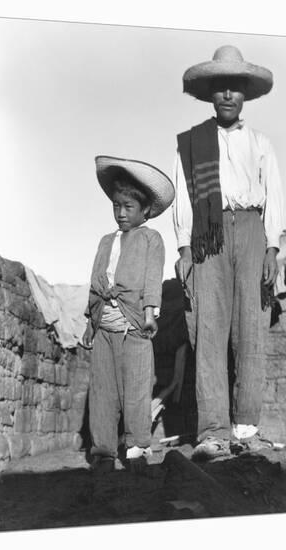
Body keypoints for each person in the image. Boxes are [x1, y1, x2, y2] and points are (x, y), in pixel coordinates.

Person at [173, 45, 284, 459]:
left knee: (250, 328)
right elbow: (185, 198)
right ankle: (213, 431)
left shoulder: (260, 143)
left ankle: (246, 426)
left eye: (234, 88)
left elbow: (274, 196)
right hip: (209, 233)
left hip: (253, 231)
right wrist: (185, 248)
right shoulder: (192, 143)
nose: (227, 95)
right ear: (210, 94)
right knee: (210, 329)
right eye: (220, 87)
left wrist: (272, 248)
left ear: (244, 95)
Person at [83, 155, 175, 472]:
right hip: (104, 327)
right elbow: (95, 282)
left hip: (134, 326)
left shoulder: (151, 239)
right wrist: (90, 321)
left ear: (145, 210)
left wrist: (150, 314)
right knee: (103, 391)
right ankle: (104, 450)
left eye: (129, 207)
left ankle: (136, 445)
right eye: (116, 206)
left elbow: (152, 280)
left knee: (136, 390)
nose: (121, 213)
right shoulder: (106, 241)